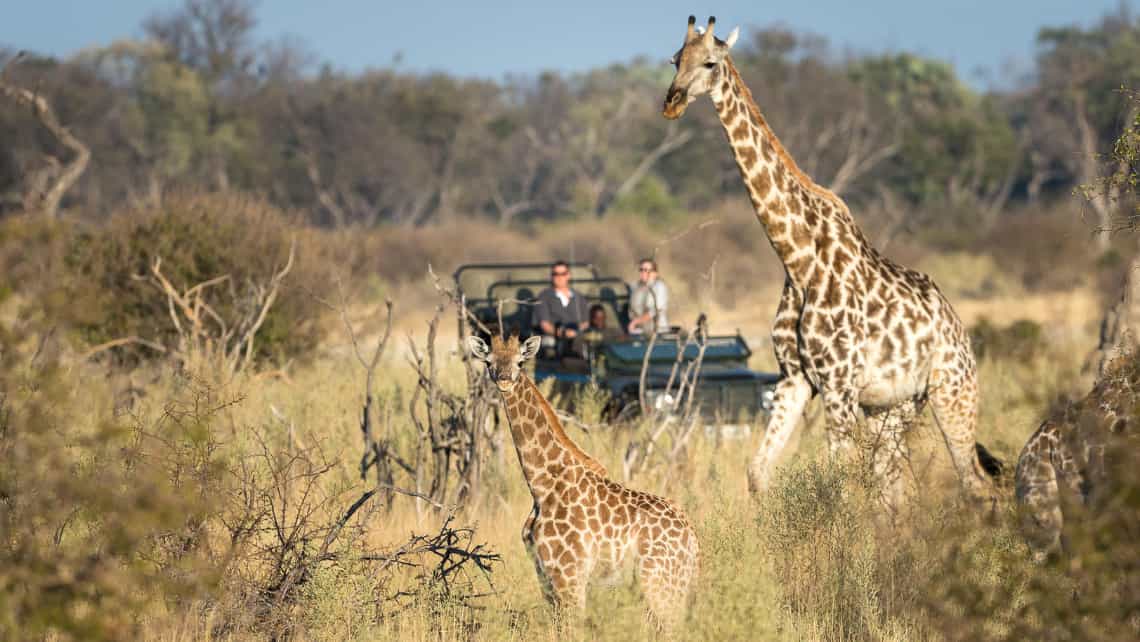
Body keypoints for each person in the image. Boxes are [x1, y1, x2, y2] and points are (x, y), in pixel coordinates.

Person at [534, 260, 590, 341]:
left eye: (563, 274)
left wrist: (575, 332)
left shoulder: (579, 297)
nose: (559, 277)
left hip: (578, 339)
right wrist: (562, 333)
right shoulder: (544, 296)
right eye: (556, 274)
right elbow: (544, 325)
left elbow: (585, 323)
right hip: (553, 340)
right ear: (552, 276)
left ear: (568, 275)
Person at [628, 258, 670, 334]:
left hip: (657, 332)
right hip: (639, 330)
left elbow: (656, 310)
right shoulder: (635, 287)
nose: (644, 272)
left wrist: (635, 322)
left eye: (647, 270)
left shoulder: (659, 287)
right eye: (641, 270)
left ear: (655, 273)